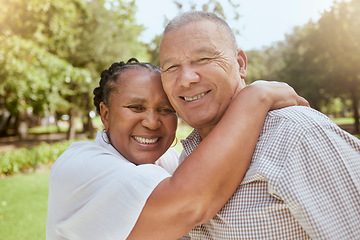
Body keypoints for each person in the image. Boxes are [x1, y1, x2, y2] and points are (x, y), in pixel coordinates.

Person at [46, 58, 307, 239]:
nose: (151, 122)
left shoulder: (170, 162)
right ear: (105, 114)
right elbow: (190, 203)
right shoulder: (79, 166)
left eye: (165, 110)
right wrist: (255, 97)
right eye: (136, 108)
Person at [159, 11, 360, 240]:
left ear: (240, 63)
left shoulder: (298, 134)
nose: (186, 78)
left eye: (203, 59)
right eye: (172, 67)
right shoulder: (186, 158)